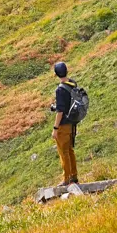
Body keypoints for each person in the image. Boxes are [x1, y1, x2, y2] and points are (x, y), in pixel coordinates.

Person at [50, 58, 82, 187]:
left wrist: (55, 128)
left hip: (63, 125)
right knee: (70, 150)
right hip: (72, 123)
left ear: (56, 74)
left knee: (63, 152)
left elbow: (60, 111)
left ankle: (66, 179)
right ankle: (74, 176)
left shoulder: (60, 89)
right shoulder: (72, 84)